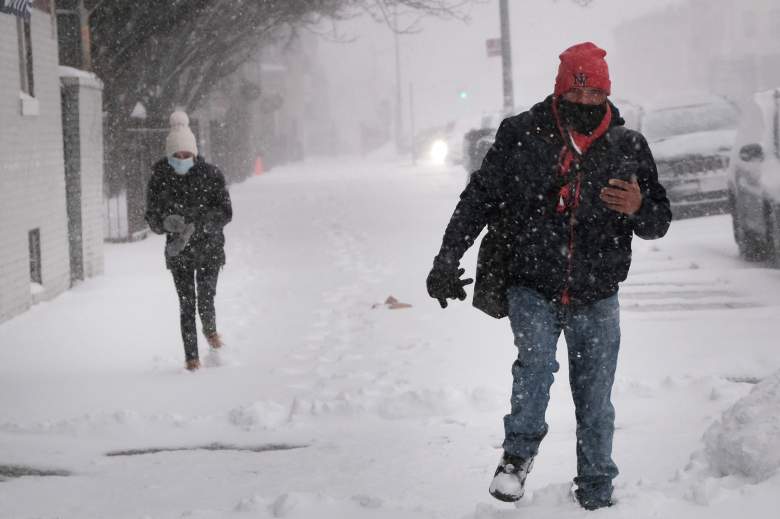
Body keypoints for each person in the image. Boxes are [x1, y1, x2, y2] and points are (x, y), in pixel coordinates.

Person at [426, 42, 671, 510]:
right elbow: (478, 198)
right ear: (560, 91)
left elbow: (658, 221)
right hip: (532, 284)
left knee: (595, 399)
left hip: (597, 294)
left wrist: (641, 209)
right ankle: (516, 460)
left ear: (607, 93)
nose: (585, 102)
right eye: (577, 93)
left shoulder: (628, 146)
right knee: (534, 370)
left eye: (595, 93)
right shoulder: (521, 135)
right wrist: (446, 258)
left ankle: (596, 489)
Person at [145, 111, 233, 371]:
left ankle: (211, 332)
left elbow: (226, 212)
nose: (182, 160)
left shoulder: (211, 175)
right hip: (179, 252)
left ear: (194, 153)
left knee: (206, 298)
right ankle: (192, 358)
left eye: (186, 155)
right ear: (169, 156)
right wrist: (165, 223)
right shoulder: (159, 178)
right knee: (186, 304)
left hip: (209, 248)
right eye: (176, 156)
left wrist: (203, 223)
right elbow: (151, 216)